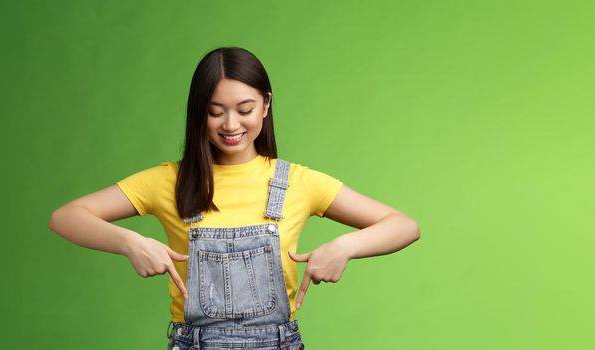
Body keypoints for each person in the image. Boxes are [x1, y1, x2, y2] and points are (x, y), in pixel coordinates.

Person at [48, 46, 420, 349]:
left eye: (244, 110)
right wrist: (129, 242)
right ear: (198, 113)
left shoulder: (296, 182)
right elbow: (66, 216)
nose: (230, 125)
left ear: (266, 105)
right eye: (215, 112)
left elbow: (404, 226)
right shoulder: (169, 181)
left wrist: (345, 247)